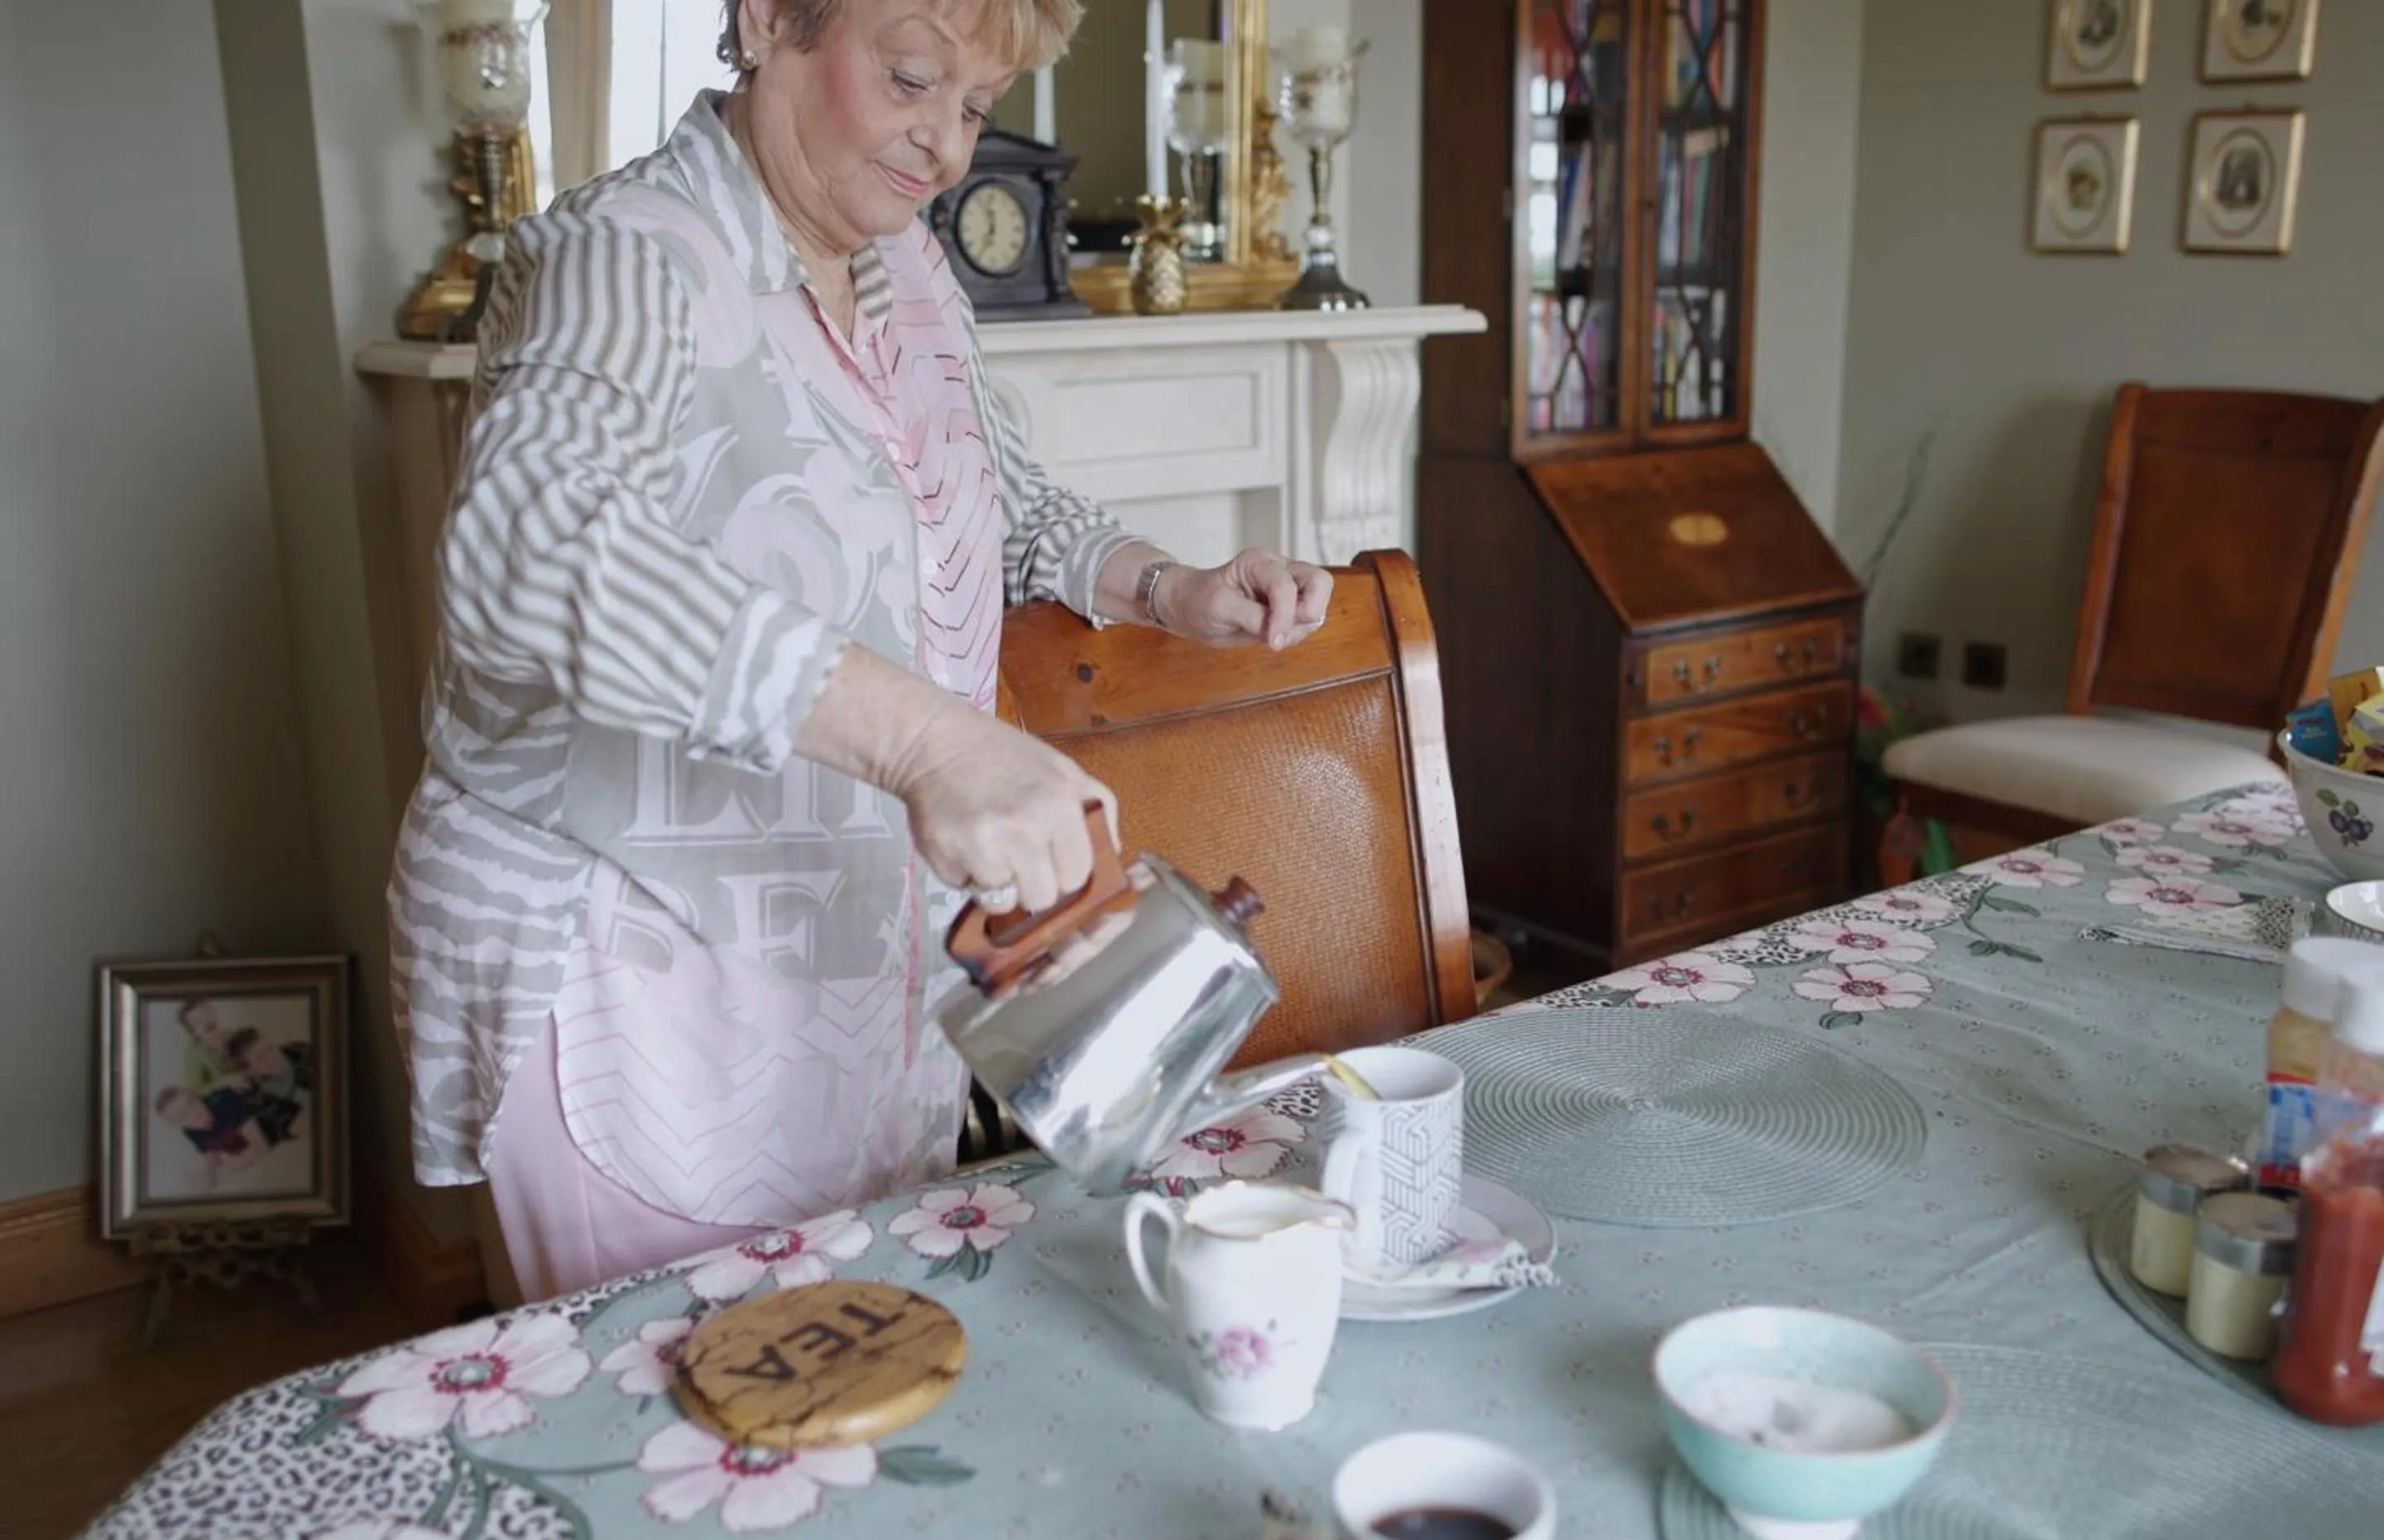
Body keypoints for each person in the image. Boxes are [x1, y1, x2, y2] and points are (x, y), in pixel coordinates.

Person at [387, 0, 1336, 1303]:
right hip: (639, 964)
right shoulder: (625, 256)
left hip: (860, 945)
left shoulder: (912, 273)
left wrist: (1172, 587)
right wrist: (933, 742)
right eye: (910, 80)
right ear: (769, 18)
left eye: (977, 110)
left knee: (864, 1370)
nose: (946, 149)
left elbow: (998, 501)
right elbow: (525, 547)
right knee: (690, 1410)